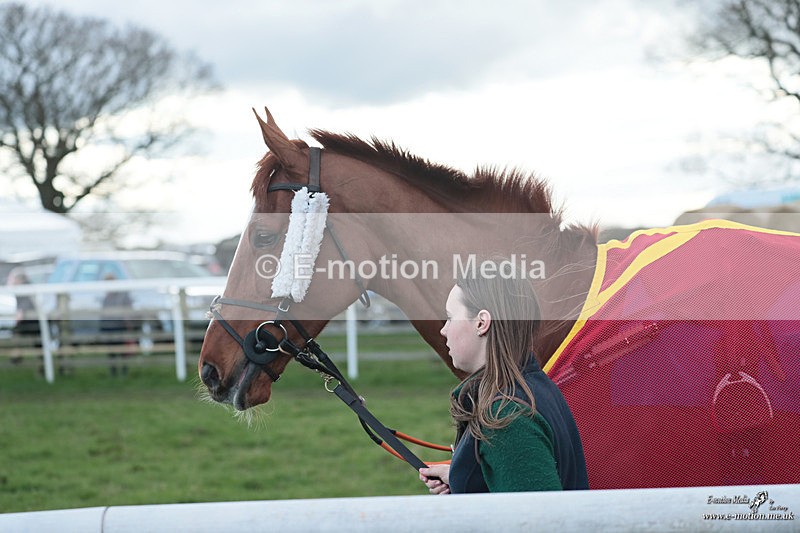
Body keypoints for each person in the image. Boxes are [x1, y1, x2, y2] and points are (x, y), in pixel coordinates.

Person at [419, 268, 589, 493]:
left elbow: (537, 520)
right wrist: (462, 478)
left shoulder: (507, 418)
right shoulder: (534, 386)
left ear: (481, 323)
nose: (443, 330)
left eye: (450, 317)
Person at [101, 273, 134, 376]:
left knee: (123, 351)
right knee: (112, 352)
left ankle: (124, 371)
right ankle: (113, 371)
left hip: (120, 326)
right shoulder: (106, 297)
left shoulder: (122, 295)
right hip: (109, 327)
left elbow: (128, 311)